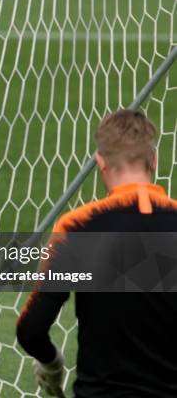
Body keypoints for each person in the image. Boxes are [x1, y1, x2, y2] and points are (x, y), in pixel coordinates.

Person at [16, 110, 177, 397]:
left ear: (100, 162)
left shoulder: (78, 227)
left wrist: (53, 366)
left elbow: (30, 330)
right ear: (153, 160)